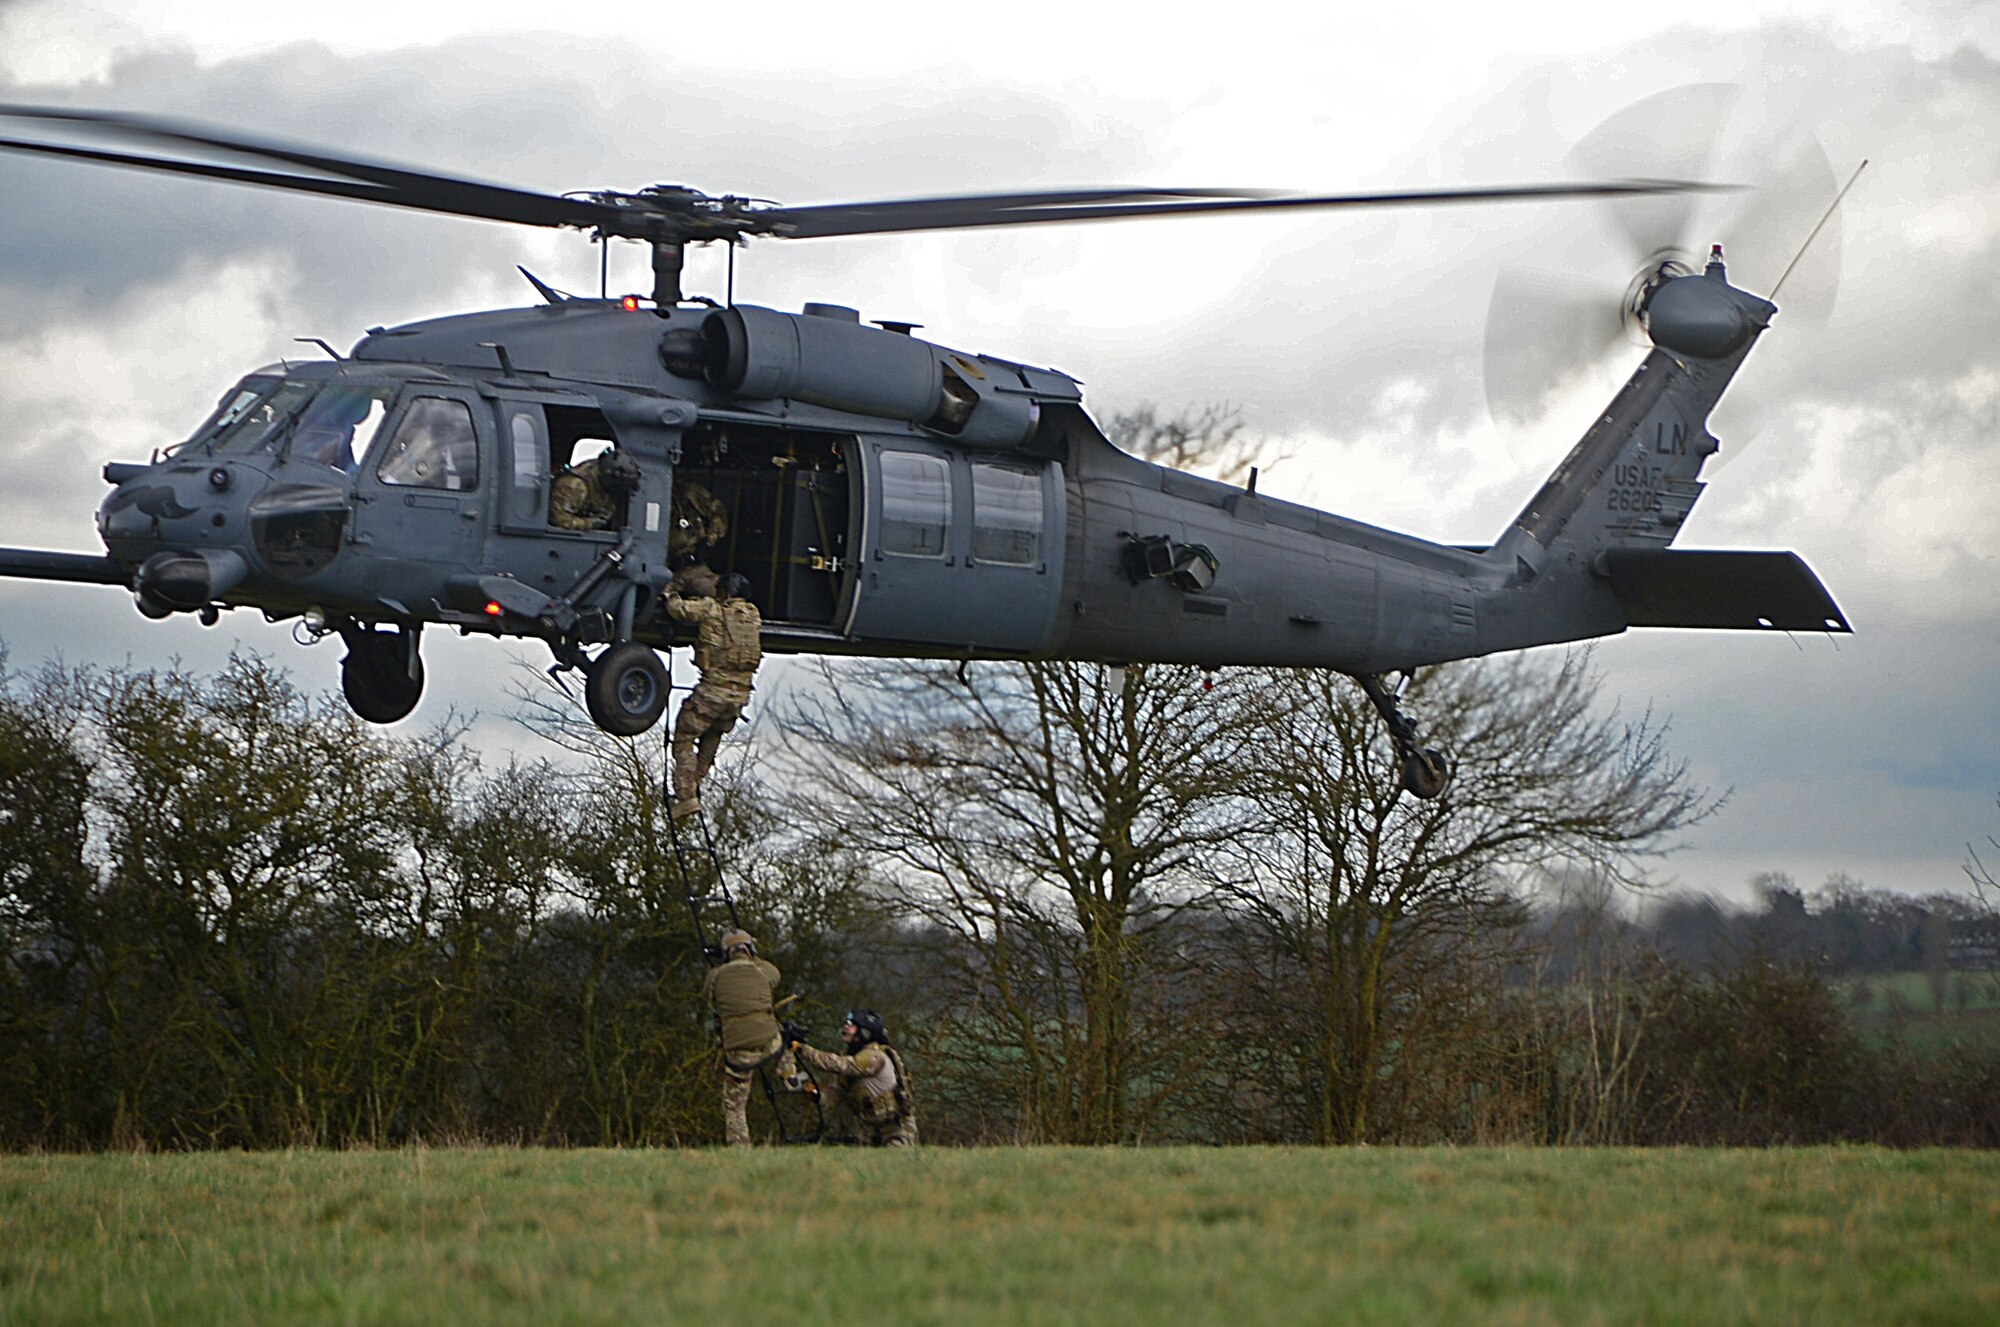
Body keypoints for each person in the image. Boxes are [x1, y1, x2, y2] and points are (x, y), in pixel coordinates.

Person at [660, 566, 762, 821]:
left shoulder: (711, 609)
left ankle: (685, 797)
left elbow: (678, 610)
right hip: (739, 696)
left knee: (684, 738)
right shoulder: (754, 616)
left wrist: (671, 592)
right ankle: (694, 783)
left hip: (713, 692)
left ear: (725, 592)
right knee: (712, 735)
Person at [702, 928, 804, 1148]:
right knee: (783, 1036)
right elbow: (773, 974)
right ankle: (789, 1074)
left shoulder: (716, 976)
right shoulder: (764, 971)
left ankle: (739, 1144)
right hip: (768, 1042)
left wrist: (719, 963)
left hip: (739, 1049)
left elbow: (710, 1000)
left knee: (734, 1104)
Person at [792, 1010, 918, 1147]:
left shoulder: (873, 1057)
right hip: (868, 1130)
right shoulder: (853, 1059)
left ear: (865, 1033)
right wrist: (817, 1095)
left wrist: (802, 1049)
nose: (845, 1027)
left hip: (896, 1129)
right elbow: (835, 1093)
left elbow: (839, 1064)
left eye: (851, 1025)